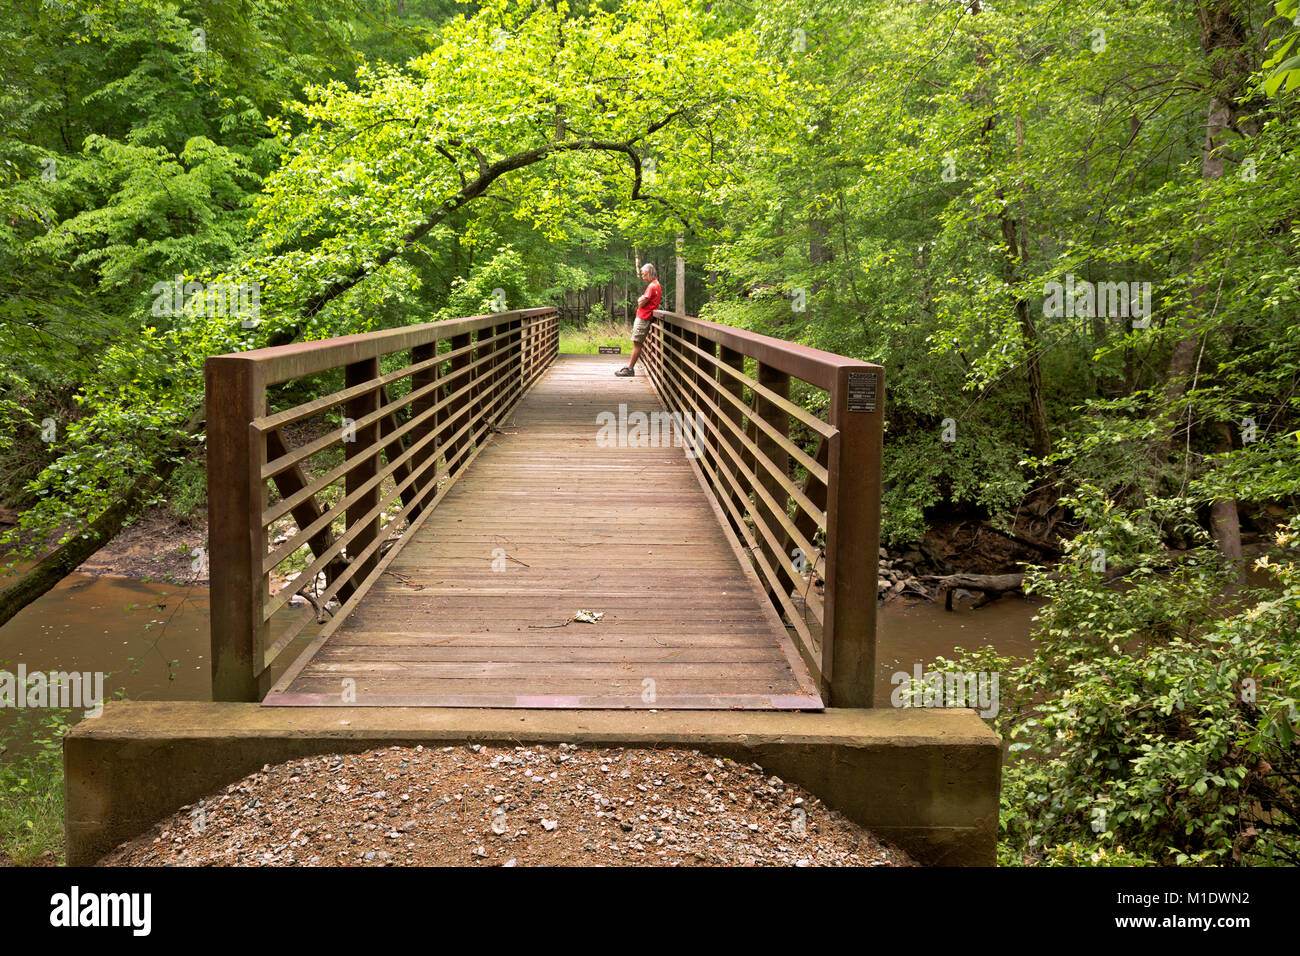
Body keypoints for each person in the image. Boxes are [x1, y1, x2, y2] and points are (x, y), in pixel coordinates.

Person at [615, 262, 660, 376]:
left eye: (644, 274)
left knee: (637, 344)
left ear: (649, 273)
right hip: (645, 317)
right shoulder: (656, 284)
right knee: (637, 343)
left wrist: (640, 299)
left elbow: (641, 302)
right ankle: (629, 367)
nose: (643, 277)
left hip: (644, 318)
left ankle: (630, 369)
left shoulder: (652, 286)